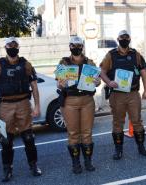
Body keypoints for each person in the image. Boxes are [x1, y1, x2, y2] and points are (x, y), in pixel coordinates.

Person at [0, 37, 42, 182]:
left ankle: (33, 166)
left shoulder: (26, 64)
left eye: (15, 45)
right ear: (5, 47)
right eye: (9, 45)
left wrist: (37, 106)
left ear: (18, 47)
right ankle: (7, 169)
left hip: (24, 104)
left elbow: (35, 87)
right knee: (6, 140)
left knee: (29, 138)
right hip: (5, 106)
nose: (12, 47)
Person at [100, 30, 146, 160]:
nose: (124, 39)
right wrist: (109, 82)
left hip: (133, 93)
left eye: (127, 37)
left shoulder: (136, 54)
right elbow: (102, 71)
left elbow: (144, 72)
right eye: (122, 37)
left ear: (130, 39)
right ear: (118, 39)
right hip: (117, 95)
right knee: (117, 123)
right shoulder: (111, 55)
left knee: (137, 121)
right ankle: (118, 150)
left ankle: (141, 147)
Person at [57, 36, 101, 174]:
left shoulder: (90, 62)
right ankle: (76, 163)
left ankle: (88, 161)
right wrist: (61, 82)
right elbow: (58, 82)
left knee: (87, 133)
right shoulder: (63, 62)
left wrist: (96, 81)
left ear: (82, 47)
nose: (76, 48)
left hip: (87, 100)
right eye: (73, 45)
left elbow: (98, 81)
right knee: (73, 133)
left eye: (79, 45)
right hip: (70, 101)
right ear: (70, 46)